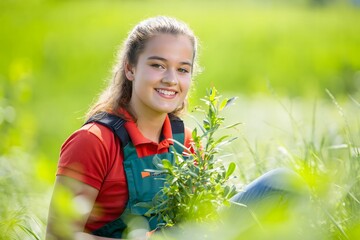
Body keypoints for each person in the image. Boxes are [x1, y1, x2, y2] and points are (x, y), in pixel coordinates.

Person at [46, 16, 308, 240]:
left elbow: (205, 215)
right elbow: (58, 235)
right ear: (130, 69)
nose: (171, 79)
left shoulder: (185, 142)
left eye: (182, 69)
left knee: (283, 184)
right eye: (158, 65)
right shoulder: (93, 142)